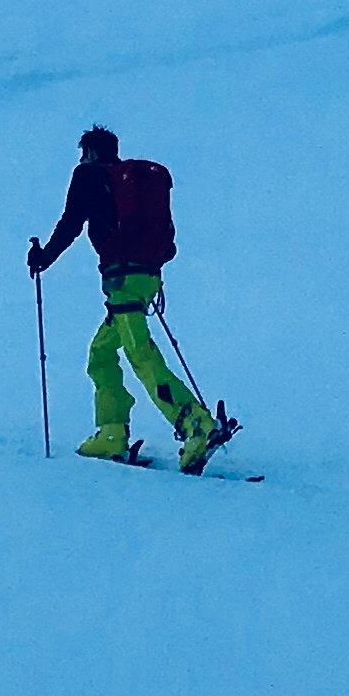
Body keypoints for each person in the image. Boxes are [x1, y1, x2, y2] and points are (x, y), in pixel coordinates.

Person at [27, 126, 227, 469]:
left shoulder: (89, 176)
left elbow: (71, 222)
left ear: (89, 152)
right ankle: (111, 432)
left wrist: (43, 257)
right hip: (146, 277)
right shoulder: (133, 186)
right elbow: (170, 245)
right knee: (101, 353)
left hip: (123, 278)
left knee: (140, 353)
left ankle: (195, 423)